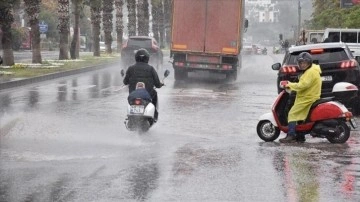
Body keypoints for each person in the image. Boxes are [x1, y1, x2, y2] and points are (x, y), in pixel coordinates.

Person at [279, 52, 322, 143]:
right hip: (307, 96)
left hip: (308, 97)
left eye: (304, 63)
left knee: (292, 114)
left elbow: (303, 85)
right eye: (301, 63)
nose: (302, 65)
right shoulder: (310, 70)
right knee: (301, 118)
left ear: (309, 63)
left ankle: (291, 135)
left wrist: (289, 84)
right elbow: (302, 82)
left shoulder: (310, 72)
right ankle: (300, 135)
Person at [123, 48, 163, 121]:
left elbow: (125, 82)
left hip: (133, 95)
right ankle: (155, 114)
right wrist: (160, 84)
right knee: (155, 94)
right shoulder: (151, 69)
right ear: (147, 58)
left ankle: (129, 116)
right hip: (148, 95)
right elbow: (157, 84)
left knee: (130, 98)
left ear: (136, 58)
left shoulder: (131, 68)